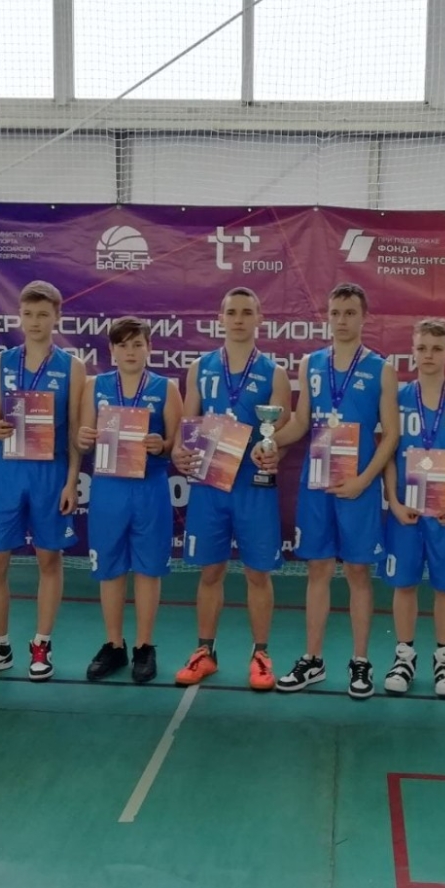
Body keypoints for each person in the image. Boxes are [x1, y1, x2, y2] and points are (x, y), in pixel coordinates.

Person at [263, 283, 399, 699]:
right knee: (318, 569)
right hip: (317, 483)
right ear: (327, 315)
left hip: (358, 485)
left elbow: (392, 435)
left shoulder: (381, 369)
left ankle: (361, 661)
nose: (341, 320)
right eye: (335, 312)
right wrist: (269, 441)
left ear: (364, 317)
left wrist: (364, 480)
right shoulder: (311, 363)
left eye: (349, 313)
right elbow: (302, 422)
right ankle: (313, 659)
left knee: (358, 572)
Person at [0, 282, 84, 682]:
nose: (35, 322)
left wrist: (72, 481)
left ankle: (41, 644)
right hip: (9, 472)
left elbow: (74, 432)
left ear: (57, 317)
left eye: (43, 315)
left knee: (49, 560)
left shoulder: (72, 367)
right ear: (19, 316)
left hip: (50, 473)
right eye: (29, 314)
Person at [172, 288, 291, 691]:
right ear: (220, 318)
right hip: (210, 484)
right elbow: (187, 425)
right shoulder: (200, 368)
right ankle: (205, 652)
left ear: (259, 318)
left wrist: (274, 452)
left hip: (253, 486)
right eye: (232, 312)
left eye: (246, 312)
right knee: (211, 570)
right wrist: (179, 452)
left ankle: (261, 655)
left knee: (258, 573)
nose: (239, 319)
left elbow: (281, 432)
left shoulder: (274, 373)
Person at [77, 317, 182, 684]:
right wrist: (84, 438)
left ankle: (144, 645)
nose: (131, 351)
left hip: (150, 487)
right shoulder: (95, 386)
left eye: (138, 344)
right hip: (108, 489)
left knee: (148, 569)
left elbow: (177, 443)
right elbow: (81, 439)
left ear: (149, 348)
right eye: (123, 345)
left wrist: (162, 445)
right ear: (112, 350)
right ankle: (114, 644)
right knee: (110, 567)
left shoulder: (167, 388)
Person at [381, 318, 445, 698]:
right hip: (406, 510)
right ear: (413, 351)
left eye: (437, 349)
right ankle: (404, 656)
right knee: (404, 584)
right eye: (422, 348)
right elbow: (388, 453)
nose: (428, 355)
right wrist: (393, 500)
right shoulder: (398, 398)